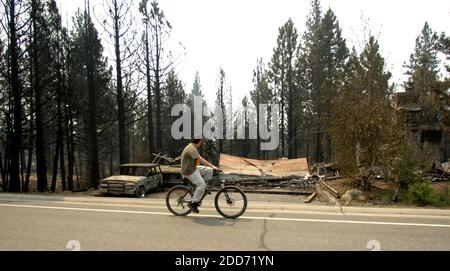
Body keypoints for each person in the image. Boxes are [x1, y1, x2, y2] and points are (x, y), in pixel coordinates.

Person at [181, 139, 222, 214]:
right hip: (188, 171)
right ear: (200, 141)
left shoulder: (193, 147)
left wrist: (209, 168)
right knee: (201, 185)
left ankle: (203, 189)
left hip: (192, 167)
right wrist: (213, 166)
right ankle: (192, 203)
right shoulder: (191, 148)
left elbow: (197, 160)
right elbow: (200, 159)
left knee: (209, 170)